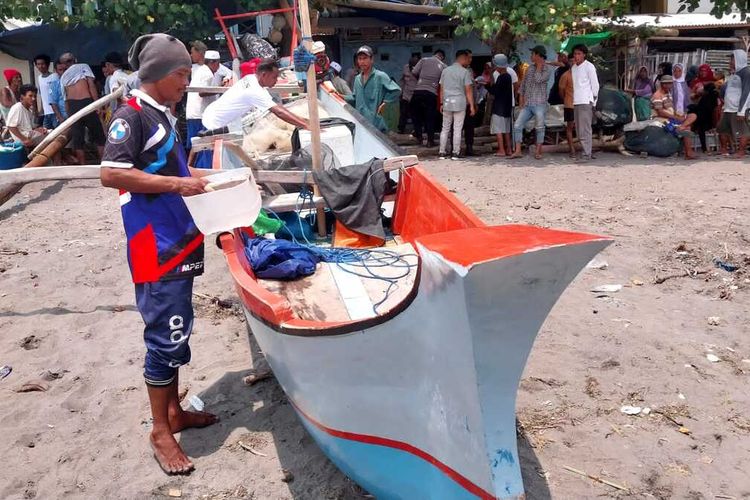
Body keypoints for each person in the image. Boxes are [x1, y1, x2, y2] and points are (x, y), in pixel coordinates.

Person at [100, 33, 220, 476]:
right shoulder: (130, 116)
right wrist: (179, 185)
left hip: (179, 234)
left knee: (178, 327)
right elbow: (111, 173)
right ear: (165, 74)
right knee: (165, 333)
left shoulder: (161, 115)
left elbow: (179, 171)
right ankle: (160, 431)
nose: (187, 83)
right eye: (184, 75)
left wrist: (215, 178)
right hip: (155, 242)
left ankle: (174, 413)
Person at [202, 59, 309, 132]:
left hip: (211, 114)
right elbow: (279, 112)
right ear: (264, 75)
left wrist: (301, 120)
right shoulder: (255, 91)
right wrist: (305, 125)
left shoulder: (250, 78)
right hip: (214, 124)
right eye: (274, 77)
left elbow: (277, 106)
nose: (276, 80)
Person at [59, 52, 106, 164]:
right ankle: (104, 163)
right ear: (75, 59)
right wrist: (97, 104)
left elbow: (65, 98)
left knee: (78, 139)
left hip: (72, 106)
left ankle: (82, 165)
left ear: (64, 65)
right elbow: (91, 86)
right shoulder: (83, 66)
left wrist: (69, 115)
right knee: (99, 136)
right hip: (86, 102)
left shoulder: (63, 77)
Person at [345, 45, 401, 132]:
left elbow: (396, 90)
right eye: (360, 58)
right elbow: (355, 98)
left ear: (372, 60)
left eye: (365, 58)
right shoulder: (357, 79)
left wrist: (385, 102)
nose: (362, 61)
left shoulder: (380, 76)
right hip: (361, 122)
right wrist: (339, 96)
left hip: (376, 124)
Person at [511, 45, 552, 160]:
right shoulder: (529, 68)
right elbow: (524, 84)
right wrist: (521, 98)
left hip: (540, 103)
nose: (531, 56)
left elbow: (538, 79)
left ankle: (538, 152)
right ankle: (518, 151)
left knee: (539, 127)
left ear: (538, 55)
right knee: (517, 125)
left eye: (533, 54)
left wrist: (539, 66)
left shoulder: (547, 69)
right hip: (528, 104)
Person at [186, 50, 224, 167]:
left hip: (196, 113)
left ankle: (192, 167)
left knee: (198, 145)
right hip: (199, 115)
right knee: (203, 144)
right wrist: (219, 88)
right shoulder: (207, 73)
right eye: (218, 63)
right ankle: (200, 168)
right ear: (214, 63)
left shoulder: (202, 71)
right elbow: (202, 92)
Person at [437, 49, 475, 159]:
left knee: (445, 128)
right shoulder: (465, 72)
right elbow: (468, 90)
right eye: (468, 58)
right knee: (457, 129)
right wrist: (472, 106)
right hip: (460, 102)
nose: (469, 60)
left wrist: (441, 103)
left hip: (447, 102)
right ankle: (455, 153)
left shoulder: (446, 71)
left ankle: (442, 152)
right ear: (463, 58)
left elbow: (441, 89)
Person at [651, 75, 696, 159]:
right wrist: (675, 117)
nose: (668, 86)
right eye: (666, 84)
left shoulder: (668, 94)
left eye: (670, 84)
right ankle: (688, 153)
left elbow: (670, 109)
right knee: (687, 128)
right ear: (662, 84)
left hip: (671, 117)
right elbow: (660, 112)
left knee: (692, 116)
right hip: (662, 119)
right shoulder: (657, 95)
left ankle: (681, 127)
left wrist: (678, 115)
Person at [411, 49, 446, 147]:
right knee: (430, 118)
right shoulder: (443, 66)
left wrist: (421, 80)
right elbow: (443, 81)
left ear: (434, 54)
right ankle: (430, 141)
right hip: (431, 93)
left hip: (418, 91)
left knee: (416, 116)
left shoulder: (424, 60)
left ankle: (419, 138)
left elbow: (414, 72)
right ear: (442, 57)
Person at [571, 44, 599, 162]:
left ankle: (586, 154)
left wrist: (593, 102)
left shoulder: (589, 67)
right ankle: (587, 151)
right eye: (575, 54)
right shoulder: (573, 68)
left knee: (585, 129)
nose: (576, 56)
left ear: (584, 55)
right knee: (579, 129)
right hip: (577, 101)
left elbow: (595, 85)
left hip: (586, 100)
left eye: (579, 54)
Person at [489, 54, 513, 157]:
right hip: (507, 107)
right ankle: (509, 149)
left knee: (498, 130)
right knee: (506, 130)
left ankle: (501, 150)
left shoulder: (501, 77)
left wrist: (486, 86)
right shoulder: (508, 76)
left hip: (499, 107)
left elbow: (495, 91)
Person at [691, 82, 719, 153]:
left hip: (701, 117)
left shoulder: (705, 97)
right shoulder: (714, 95)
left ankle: (704, 149)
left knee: (701, 131)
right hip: (709, 118)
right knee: (703, 130)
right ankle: (712, 147)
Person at [34, 54, 58, 129]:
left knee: (58, 132)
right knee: (46, 132)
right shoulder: (39, 78)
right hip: (46, 112)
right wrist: (41, 110)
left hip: (55, 111)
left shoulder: (54, 76)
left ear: (47, 64)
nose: (40, 66)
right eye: (38, 64)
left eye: (42, 64)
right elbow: (42, 95)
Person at [398, 53, 420, 134]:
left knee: (416, 113)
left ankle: (417, 130)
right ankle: (401, 129)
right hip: (406, 94)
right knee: (403, 112)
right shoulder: (405, 67)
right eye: (411, 65)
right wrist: (401, 92)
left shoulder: (420, 69)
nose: (412, 67)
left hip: (415, 94)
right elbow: (403, 80)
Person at [557, 62, 576, 158]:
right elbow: (561, 91)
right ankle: (572, 149)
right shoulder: (566, 75)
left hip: (580, 104)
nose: (574, 63)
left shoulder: (581, 74)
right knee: (570, 127)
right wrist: (566, 99)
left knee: (582, 128)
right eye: (572, 62)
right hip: (569, 105)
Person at [48, 57, 69, 125]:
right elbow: (53, 103)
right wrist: (60, 118)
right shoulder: (54, 85)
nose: (63, 72)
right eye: (60, 70)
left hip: (76, 116)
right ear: (56, 71)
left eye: (65, 69)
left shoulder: (74, 83)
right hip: (64, 118)